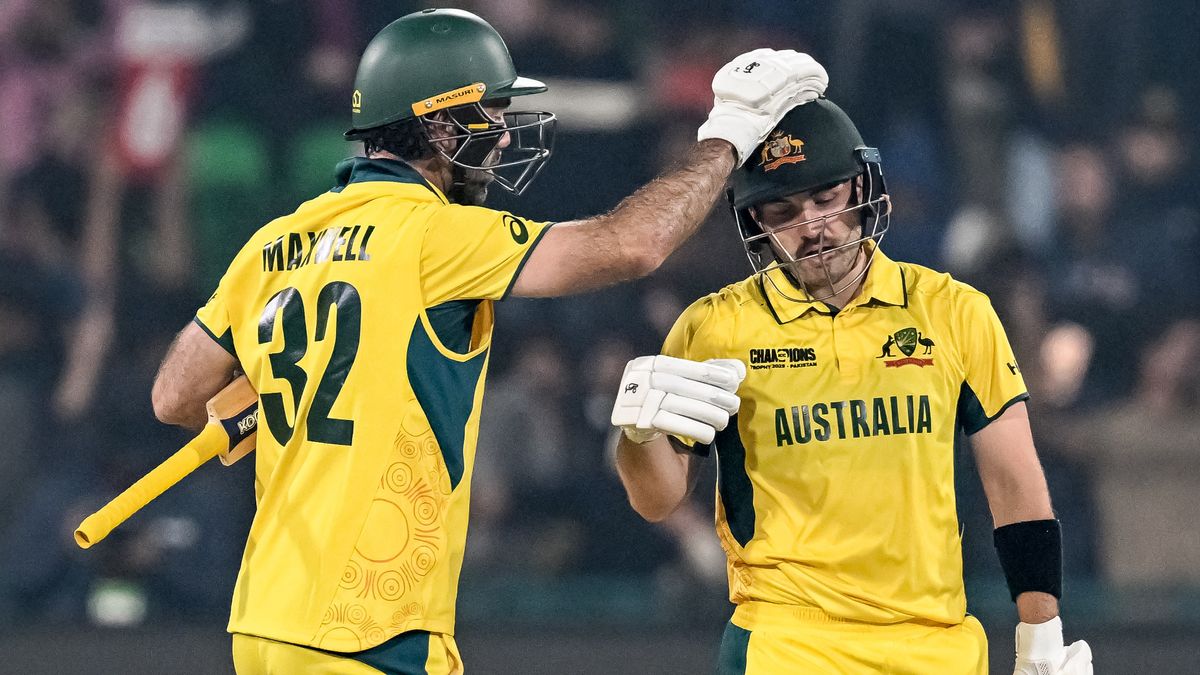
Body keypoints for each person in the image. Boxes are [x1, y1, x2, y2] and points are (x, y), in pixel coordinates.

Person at [148, 7, 829, 674]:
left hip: (266, 622)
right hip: (368, 629)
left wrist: (267, 392)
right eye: (492, 115)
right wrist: (730, 138)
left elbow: (175, 397)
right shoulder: (437, 235)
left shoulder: (275, 242)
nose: (502, 137)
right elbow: (634, 244)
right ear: (440, 123)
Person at [610, 95, 1093, 674]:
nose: (812, 227)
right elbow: (657, 501)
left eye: (826, 198)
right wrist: (638, 440)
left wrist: (1041, 636)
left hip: (934, 640)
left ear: (862, 188)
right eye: (783, 211)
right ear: (756, 221)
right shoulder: (715, 327)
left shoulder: (954, 311)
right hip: (786, 641)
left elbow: (1015, 483)